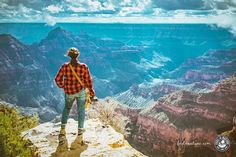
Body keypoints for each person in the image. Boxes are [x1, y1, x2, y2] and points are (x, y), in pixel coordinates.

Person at [55, 47, 95, 149]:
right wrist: (91, 91)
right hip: (80, 92)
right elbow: (88, 80)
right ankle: (80, 133)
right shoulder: (83, 66)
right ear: (78, 55)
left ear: (69, 55)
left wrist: (63, 86)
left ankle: (63, 129)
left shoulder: (65, 66)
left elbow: (57, 79)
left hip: (68, 92)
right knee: (81, 111)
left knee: (67, 109)